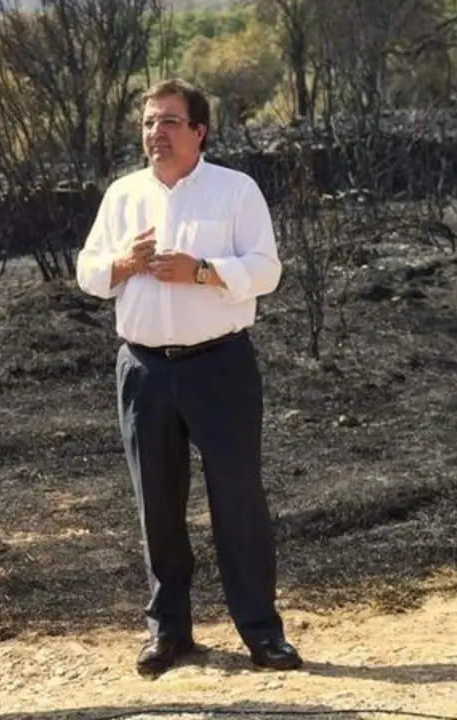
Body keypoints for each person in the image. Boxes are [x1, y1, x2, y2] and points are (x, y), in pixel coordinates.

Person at [75, 79, 303, 677]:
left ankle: (261, 632)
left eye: (170, 122)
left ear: (199, 131)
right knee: (157, 505)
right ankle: (168, 632)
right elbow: (88, 272)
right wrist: (124, 264)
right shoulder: (122, 195)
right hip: (145, 369)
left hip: (220, 366)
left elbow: (266, 270)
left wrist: (200, 272)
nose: (157, 133)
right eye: (150, 122)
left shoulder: (236, 190)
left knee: (238, 501)